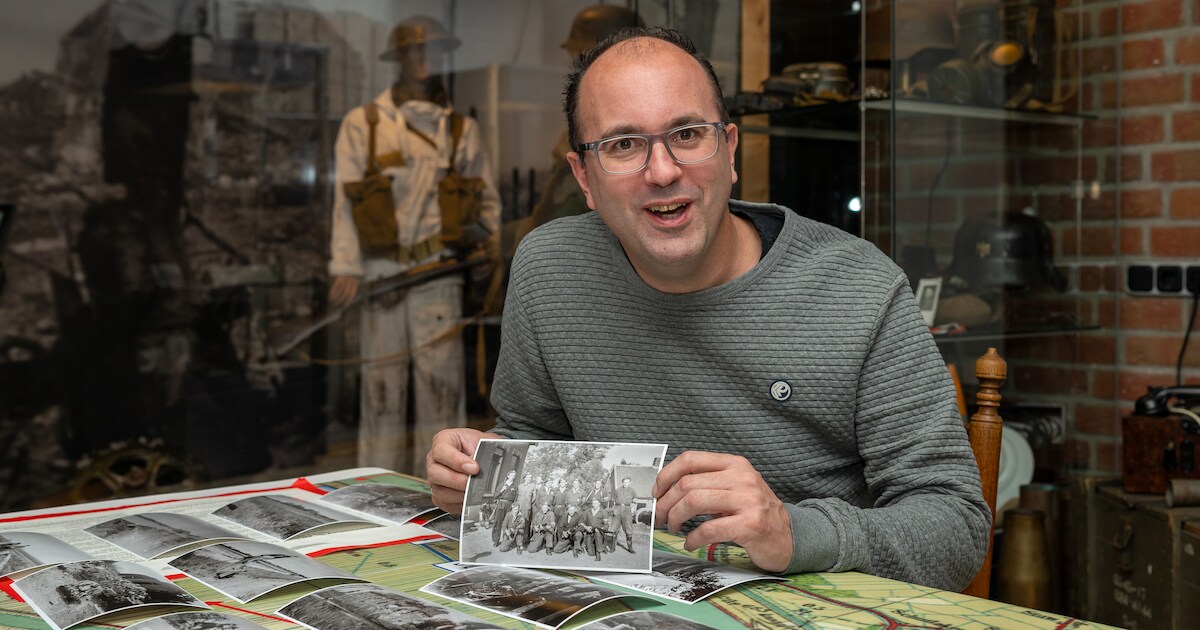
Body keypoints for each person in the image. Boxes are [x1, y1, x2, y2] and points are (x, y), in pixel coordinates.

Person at [425, 27, 989, 591]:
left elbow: (958, 529)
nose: (663, 171)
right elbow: (529, 437)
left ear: (730, 150)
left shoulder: (857, 288)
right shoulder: (549, 268)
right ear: (584, 179)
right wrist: (482, 471)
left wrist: (794, 532)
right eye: (622, 145)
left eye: (688, 133)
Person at [328, 15, 501, 476]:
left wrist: (486, 253)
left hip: (436, 276)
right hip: (381, 275)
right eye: (415, 50)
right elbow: (344, 203)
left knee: (440, 396)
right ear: (398, 57)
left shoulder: (460, 130)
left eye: (436, 51)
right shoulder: (364, 124)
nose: (426, 59)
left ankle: (439, 494)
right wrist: (346, 265)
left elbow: (486, 203)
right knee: (380, 393)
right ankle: (369, 489)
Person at [611, 476, 637, 553]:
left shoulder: (632, 491)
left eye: (627, 482)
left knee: (628, 529)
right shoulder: (617, 490)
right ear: (622, 482)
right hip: (618, 509)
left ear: (630, 482)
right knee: (614, 529)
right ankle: (613, 547)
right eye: (624, 482)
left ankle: (630, 548)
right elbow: (613, 501)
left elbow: (635, 501)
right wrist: (615, 510)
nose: (625, 483)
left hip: (627, 510)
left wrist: (629, 508)